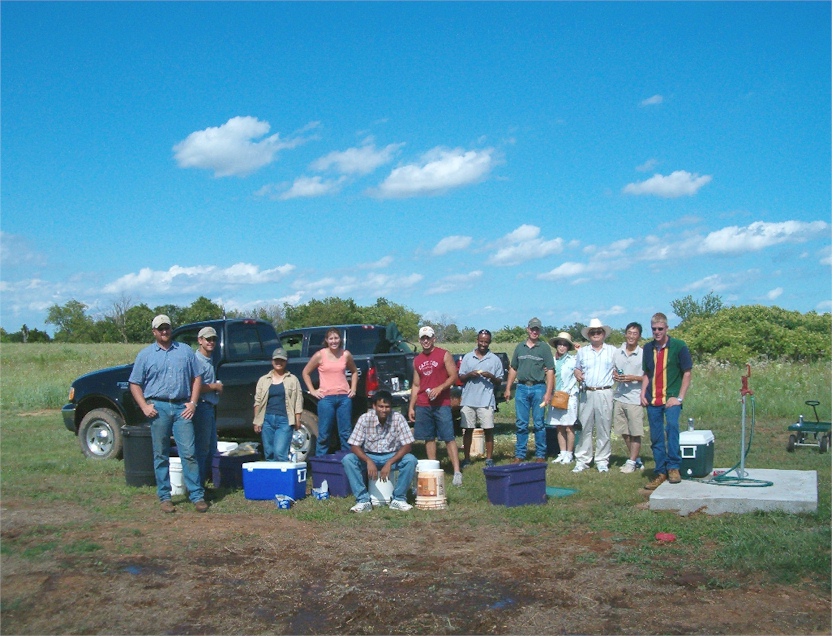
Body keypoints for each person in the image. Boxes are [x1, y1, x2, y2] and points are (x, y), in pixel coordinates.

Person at [128, 314, 207, 513]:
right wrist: (145, 406)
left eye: (167, 328)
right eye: (160, 328)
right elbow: (135, 384)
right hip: (158, 408)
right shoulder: (145, 355)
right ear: (154, 331)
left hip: (182, 408)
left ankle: (197, 495)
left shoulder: (185, 351)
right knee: (160, 453)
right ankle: (165, 496)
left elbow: (197, 377)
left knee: (189, 453)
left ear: (171, 329)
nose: (164, 331)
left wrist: (193, 403)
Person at [342, 390, 418, 512]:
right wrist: (368, 461)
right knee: (348, 459)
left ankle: (399, 499)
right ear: (374, 406)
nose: (384, 410)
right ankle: (363, 500)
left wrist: (389, 462)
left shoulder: (398, 418)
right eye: (381, 406)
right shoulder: (365, 418)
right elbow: (354, 445)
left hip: (392, 456)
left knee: (411, 460)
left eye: (387, 407)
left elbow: (408, 445)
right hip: (369, 455)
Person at [641, 313, 693, 490]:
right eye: (654, 329)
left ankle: (673, 467)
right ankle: (660, 471)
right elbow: (647, 373)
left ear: (666, 328)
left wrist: (679, 397)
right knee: (656, 436)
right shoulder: (648, 348)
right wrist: (642, 393)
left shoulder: (678, 346)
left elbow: (687, 372)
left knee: (671, 427)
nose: (657, 332)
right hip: (653, 398)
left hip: (671, 398)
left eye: (660, 329)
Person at [408, 326, 463, 486]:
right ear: (420, 340)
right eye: (423, 338)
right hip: (424, 404)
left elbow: (453, 376)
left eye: (428, 337)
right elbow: (416, 385)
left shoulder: (443, 354)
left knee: (448, 436)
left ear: (434, 339)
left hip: (442, 404)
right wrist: (412, 406)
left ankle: (457, 471)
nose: (425, 341)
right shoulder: (417, 360)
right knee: (428, 437)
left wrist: (440, 388)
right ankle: (433, 468)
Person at [503, 317, 554, 463]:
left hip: (539, 387)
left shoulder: (544, 348)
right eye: (532, 329)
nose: (534, 332)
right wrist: (508, 388)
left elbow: (550, 371)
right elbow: (513, 368)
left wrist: (548, 393)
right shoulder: (520, 347)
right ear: (528, 329)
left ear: (540, 331)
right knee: (521, 423)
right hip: (522, 387)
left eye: (537, 329)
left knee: (539, 423)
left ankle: (540, 454)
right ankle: (520, 454)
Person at [302, 328, 359, 455]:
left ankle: (347, 462)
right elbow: (306, 372)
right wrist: (312, 390)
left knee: (345, 433)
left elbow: (354, 371)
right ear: (327, 340)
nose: (334, 341)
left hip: (344, 398)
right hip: (326, 399)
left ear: (340, 339)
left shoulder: (345, 354)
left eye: (336, 338)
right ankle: (321, 463)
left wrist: (353, 388)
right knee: (324, 433)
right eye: (331, 339)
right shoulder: (319, 355)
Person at [572, 318, 616, 473]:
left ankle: (602, 460)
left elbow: (619, 370)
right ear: (589, 335)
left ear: (603, 334)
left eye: (598, 332)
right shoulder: (583, 351)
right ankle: (582, 459)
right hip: (586, 392)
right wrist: (577, 373)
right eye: (593, 332)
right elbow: (577, 369)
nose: (596, 334)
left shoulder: (612, 351)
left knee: (604, 426)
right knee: (584, 427)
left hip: (605, 391)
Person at [458, 329, 504, 468]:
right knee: (468, 429)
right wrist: (469, 374)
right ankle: (466, 458)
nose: (483, 344)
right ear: (477, 341)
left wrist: (491, 376)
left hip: (486, 400)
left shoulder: (494, 359)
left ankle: (489, 458)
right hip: (468, 399)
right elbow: (460, 377)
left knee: (488, 429)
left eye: (486, 342)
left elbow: (499, 381)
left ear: (489, 342)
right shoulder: (468, 357)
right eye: (481, 341)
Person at [254, 348, 304, 462]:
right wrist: (257, 420)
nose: (279, 363)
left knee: (280, 453)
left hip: (285, 420)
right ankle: (272, 479)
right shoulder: (263, 380)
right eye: (276, 360)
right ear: (272, 361)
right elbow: (257, 401)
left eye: (282, 360)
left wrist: (297, 419)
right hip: (267, 420)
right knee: (269, 453)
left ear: (286, 362)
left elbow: (298, 401)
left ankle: (284, 478)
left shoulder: (293, 380)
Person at [613, 322, 644, 474]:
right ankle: (636, 459)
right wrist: (615, 376)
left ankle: (631, 462)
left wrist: (634, 378)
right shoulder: (618, 352)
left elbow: (648, 377)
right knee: (624, 431)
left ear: (639, 336)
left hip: (635, 398)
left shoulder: (643, 354)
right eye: (629, 333)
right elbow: (614, 369)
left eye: (635, 333)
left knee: (635, 431)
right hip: (620, 396)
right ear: (625, 334)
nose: (631, 336)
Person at [193, 326, 223, 488]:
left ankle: (207, 482)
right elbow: (194, 387)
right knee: (202, 448)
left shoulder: (209, 360)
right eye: (207, 339)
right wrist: (214, 387)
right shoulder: (197, 361)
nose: (211, 342)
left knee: (212, 447)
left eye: (213, 339)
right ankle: (198, 484)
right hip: (201, 407)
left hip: (210, 407)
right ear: (200, 341)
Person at [548, 332, 579, 465]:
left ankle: (570, 453)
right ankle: (562, 452)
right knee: (559, 426)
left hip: (569, 395)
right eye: (560, 344)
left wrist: (579, 349)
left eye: (565, 344)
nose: (562, 347)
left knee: (569, 426)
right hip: (555, 395)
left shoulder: (573, 360)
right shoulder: (552, 360)